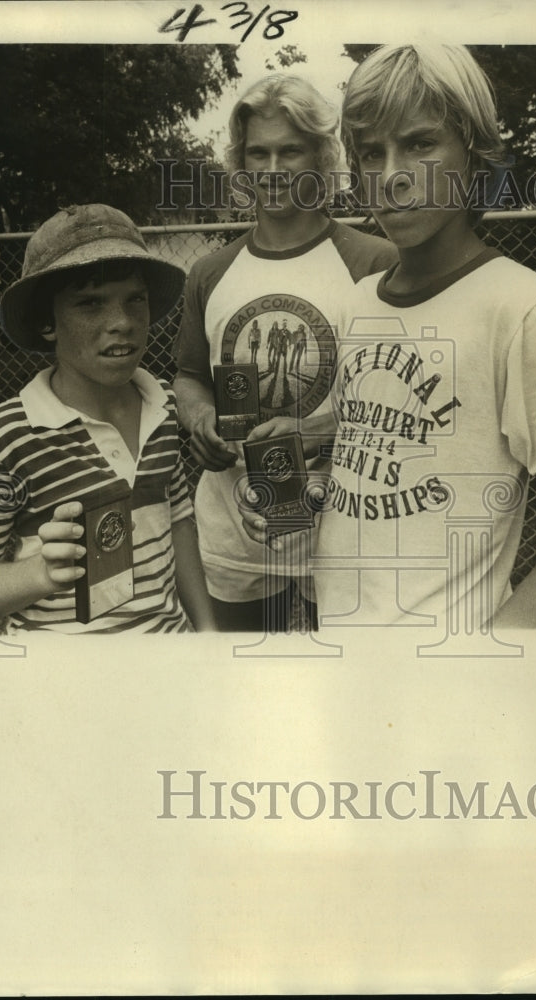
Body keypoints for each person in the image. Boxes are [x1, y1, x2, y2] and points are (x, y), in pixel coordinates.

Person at [241, 45, 536, 632]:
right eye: (371, 154)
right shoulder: (360, 300)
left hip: (444, 665)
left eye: (420, 143)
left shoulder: (524, 307)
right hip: (340, 632)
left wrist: (495, 652)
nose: (392, 175)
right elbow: (373, 459)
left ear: (474, 154)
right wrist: (300, 500)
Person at [173, 73, 398, 633]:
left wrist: (316, 430)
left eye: (290, 151)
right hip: (236, 526)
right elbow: (188, 376)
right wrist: (200, 418)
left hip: (343, 526)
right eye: (258, 153)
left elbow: (398, 406)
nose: (272, 170)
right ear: (241, 162)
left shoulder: (374, 260)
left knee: (340, 688)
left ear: (321, 156)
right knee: (244, 681)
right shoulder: (210, 271)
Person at [0, 203, 216, 633]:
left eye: (135, 301)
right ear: (48, 322)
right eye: (90, 304)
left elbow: (177, 519)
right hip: (64, 684)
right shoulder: (6, 436)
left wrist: (207, 630)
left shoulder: (161, 404)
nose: (121, 322)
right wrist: (39, 575)